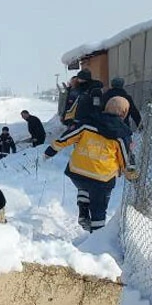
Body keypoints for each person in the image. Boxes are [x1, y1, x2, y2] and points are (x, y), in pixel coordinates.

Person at [43, 96, 138, 233]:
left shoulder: (88, 123)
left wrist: (51, 151)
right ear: (124, 112)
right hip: (102, 178)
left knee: (85, 185)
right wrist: (132, 176)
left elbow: (68, 137)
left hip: (77, 171)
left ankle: (83, 208)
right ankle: (97, 237)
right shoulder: (122, 134)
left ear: (106, 107)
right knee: (99, 206)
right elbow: (126, 158)